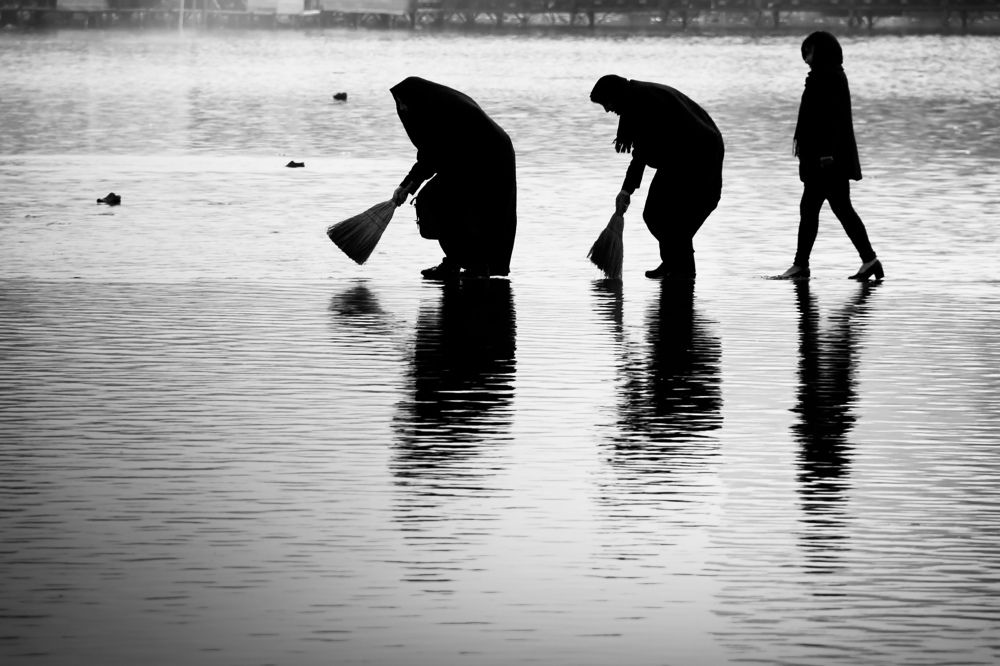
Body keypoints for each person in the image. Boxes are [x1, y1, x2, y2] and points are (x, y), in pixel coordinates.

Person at [590, 75, 724, 279]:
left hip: (698, 157)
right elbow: (643, 151)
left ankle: (681, 271)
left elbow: (642, 153)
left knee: (662, 217)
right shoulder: (636, 98)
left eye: (606, 103)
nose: (608, 110)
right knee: (663, 218)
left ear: (615, 95)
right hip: (680, 157)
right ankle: (675, 267)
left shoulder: (643, 103)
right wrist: (626, 190)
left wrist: (627, 190)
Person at [777, 31, 883, 281]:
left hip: (826, 160)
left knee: (813, 208)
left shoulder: (828, 77)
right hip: (827, 157)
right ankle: (869, 261)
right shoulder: (828, 75)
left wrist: (825, 154)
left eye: (809, 50)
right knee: (839, 209)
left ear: (821, 51)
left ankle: (801, 266)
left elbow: (830, 120)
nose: (805, 56)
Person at [389, 77, 517, 279]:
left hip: (488, 157)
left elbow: (432, 155)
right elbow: (431, 153)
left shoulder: (441, 112)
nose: (403, 108)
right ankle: (456, 262)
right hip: (469, 157)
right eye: (399, 104)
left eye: (405, 102)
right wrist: (407, 186)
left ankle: (475, 265)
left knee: (449, 205)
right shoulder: (439, 107)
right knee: (446, 205)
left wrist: (407, 186)